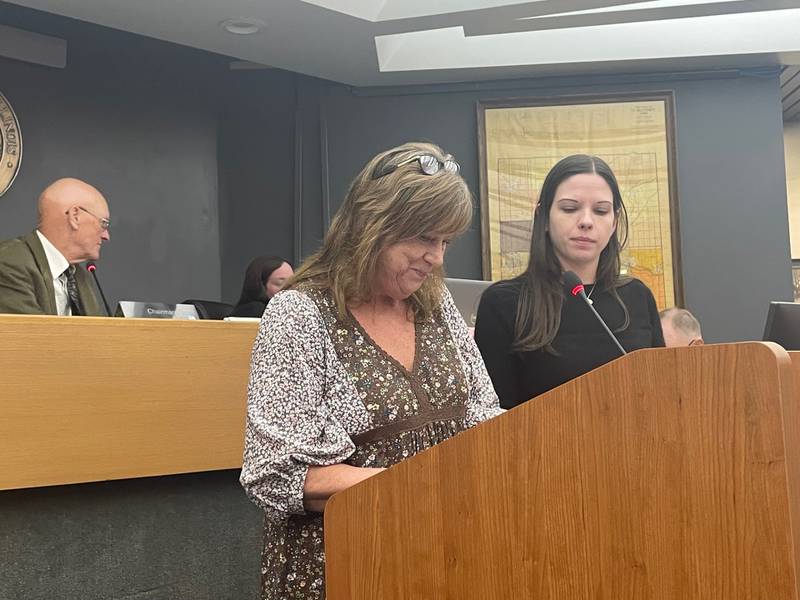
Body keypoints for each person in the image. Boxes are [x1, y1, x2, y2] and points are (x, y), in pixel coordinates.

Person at [240, 142, 502, 599]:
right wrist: (425, 490)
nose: (437, 258)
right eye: (424, 238)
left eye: (445, 242)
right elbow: (275, 473)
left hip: (443, 557)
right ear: (372, 225)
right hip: (348, 566)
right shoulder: (299, 314)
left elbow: (483, 415)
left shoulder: (436, 307)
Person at [474, 154, 665, 409]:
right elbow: (493, 417)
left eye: (600, 211)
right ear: (543, 216)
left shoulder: (637, 297)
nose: (586, 221)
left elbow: (663, 398)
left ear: (614, 222)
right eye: (569, 208)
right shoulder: (504, 302)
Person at [0, 178, 110, 316]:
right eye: (103, 224)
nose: (106, 236)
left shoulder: (81, 277)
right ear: (75, 216)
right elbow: (33, 334)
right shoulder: (8, 264)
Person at [229, 256, 294, 318]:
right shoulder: (254, 310)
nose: (289, 289)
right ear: (261, 285)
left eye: (292, 283)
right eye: (280, 283)